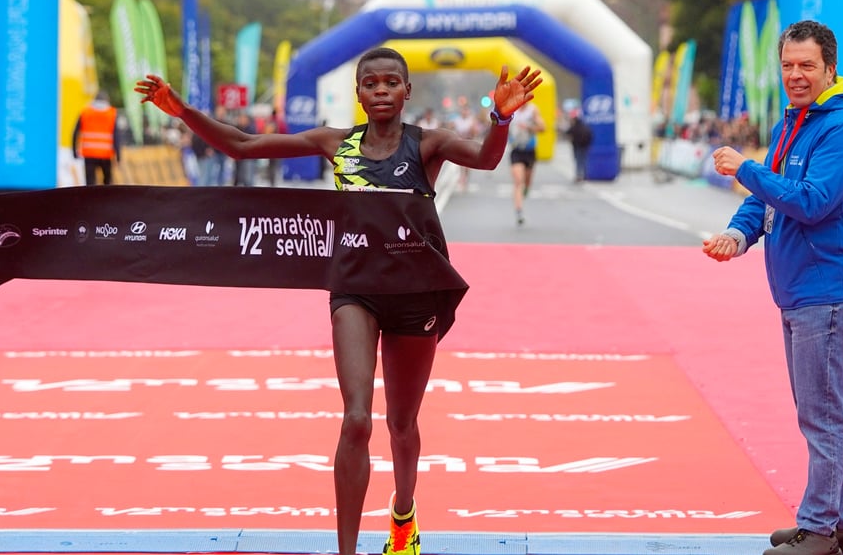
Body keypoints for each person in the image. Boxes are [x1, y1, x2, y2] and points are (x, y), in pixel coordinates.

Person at [136, 47, 542, 555]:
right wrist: (183, 112)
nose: (380, 91)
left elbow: (485, 158)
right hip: (354, 290)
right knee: (356, 418)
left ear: (407, 91)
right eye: (370, 83)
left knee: (401, 424)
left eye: (391, 83)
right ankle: (346, 551)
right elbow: (243, 144)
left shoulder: (427, 144)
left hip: (416, 295)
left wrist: (501, 117)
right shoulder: (336, 143)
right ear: (358, 94)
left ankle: (403, 515)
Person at [703, 20, 843, 555]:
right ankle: (840, 525)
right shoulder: (795, 122)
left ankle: (819, 527)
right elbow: (768, 201)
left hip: (829, 291)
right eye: (787, 66)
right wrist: (738, 232)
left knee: (822, 414)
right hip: (804, 290)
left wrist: (747, 169)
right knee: (829, 409)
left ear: (830, 68)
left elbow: (810, 200)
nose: (795, 75)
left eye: (806, 65)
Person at [507, 98, 545, 224]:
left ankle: (526, 189)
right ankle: (519, 211)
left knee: (527, 182)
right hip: (516, 149)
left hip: (529, 150)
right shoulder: (512, 109)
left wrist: (529, 127)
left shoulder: (532, 110)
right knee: (518, 181)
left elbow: (543, 127)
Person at [71, 90, 120, 185]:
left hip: (89, 154)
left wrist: (74, 151)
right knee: (107, 182)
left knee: (90, 183)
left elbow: (75, 132)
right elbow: (116, 136)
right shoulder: (112, 113)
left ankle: (91, 199)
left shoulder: (85, 112)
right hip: (105, 154)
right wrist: (118, 155)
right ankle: (107, 199)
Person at [566, 108, 594, 183]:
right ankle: (585, 175)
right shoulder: (585, 125)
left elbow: (568, 133)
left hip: (577, 146)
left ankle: (579, 176)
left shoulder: (574, 126)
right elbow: (590, 134)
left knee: (578, 161)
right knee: (583, 161)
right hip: (585, 146)